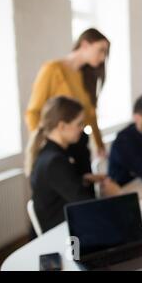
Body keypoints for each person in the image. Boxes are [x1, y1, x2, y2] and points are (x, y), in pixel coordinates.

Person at [25, 96, 121, 233]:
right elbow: (89, 207)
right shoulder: (55, 162)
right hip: (60, 232)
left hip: (65, 223)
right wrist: (115, 195)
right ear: (62, 126)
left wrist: (84, 179)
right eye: (79, 124)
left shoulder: (51, 152)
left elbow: (60, 187)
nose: (82, 129)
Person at [25, 28, 110, 175]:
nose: (103, 57)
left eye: (105, 53)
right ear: (84, 45)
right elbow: (33, 112)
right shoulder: (52, 70)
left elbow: (90, 115)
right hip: (58, 146)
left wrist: (99, 143)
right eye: (101, 50)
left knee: (85, 191)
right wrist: (44, 144)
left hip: (80, 142)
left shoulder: (86, 76)